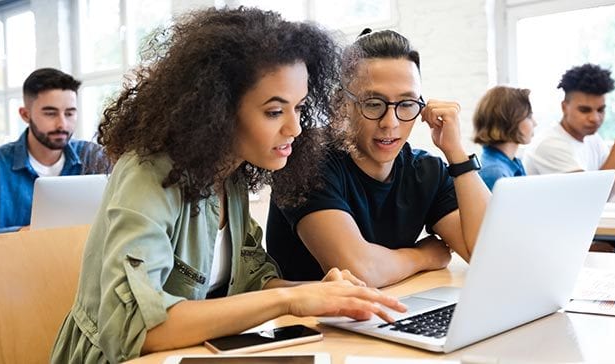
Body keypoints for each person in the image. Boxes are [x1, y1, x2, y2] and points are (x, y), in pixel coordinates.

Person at [50, 8, 405, 363]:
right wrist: (289, 300)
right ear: (217, 109)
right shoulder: (148, 174)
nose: (295, 128)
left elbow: (252, 280)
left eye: (298, 108)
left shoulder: (231, 173)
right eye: (274, 111)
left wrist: (320, 293)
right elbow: (137, 328)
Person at [266, 29, 491, 288]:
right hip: (309, 325)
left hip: (391, 312)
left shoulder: (426, 171)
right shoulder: (306, 162)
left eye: (406, 104)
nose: (390, 123)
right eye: (373, 104)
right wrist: (424, 255)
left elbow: (488, 254)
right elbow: (360, 271)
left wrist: (456, 154)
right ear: (341, 104)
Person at [0, 68, 110, 234]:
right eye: (50, 113)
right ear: (25, 115)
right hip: (16, 259)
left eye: (69, 113)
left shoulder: (94, 157)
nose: (62, 124)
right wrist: (21, 233)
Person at [523, 63, 615, 201]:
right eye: (584, 110)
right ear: (564, 107)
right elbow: (595, 197)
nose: (595, 118)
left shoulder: (593, 139)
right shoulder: (550, 144)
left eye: (600, 110)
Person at [472, 86, 536, 190]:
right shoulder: (494, 172)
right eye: (529, 116)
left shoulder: (512, 163)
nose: (535, 123)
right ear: (510, 120)